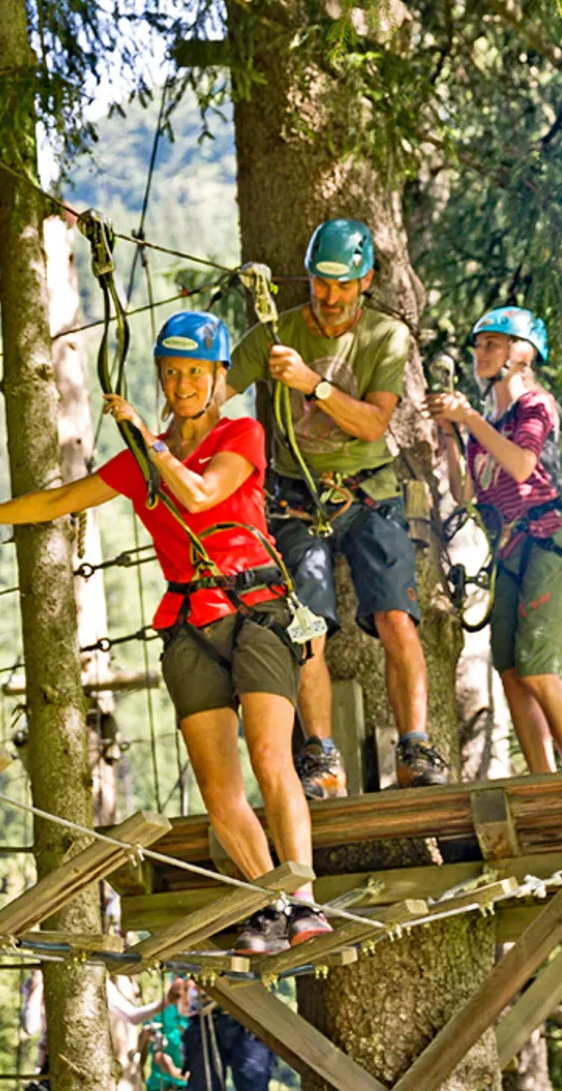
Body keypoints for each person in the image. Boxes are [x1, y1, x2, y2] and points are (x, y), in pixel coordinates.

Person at [0, 312, 330, 952]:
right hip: (189, 625)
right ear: (160, 378)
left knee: (271, 759)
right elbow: (56, 501)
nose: (183, 383)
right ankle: (266, 900)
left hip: (256, 613)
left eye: (196, 371)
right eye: (172, 372)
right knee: (219, 787)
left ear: (219, 378)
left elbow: (199, 495)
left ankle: (301, 898)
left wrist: (148, 441)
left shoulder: (241, 433)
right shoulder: (141, 460)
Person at [223, 218, 448, 798]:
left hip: (370, 492)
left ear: (365, 279)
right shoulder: (276, 333)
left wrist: (309, 382)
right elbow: (212, 392)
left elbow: (374, 421)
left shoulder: (385, 336)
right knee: (308, 631)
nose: (329, 297)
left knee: (397, 618)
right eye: (321, 284)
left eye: (343, 285)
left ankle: (415, 746)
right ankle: (321, 756)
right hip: (296, 497)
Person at [426, 307, 562, 772]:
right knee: (512, 673)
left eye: (491, 344)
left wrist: (470, 419)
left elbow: (521, 466)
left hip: (548, 538)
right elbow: (465, 494)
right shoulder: (486, 425)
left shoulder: (535, 404)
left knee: (537, 666)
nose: (480, 353)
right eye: (478, 344)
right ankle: (543, 782)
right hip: (510, 551)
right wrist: (452, 436)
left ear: (521, 354)